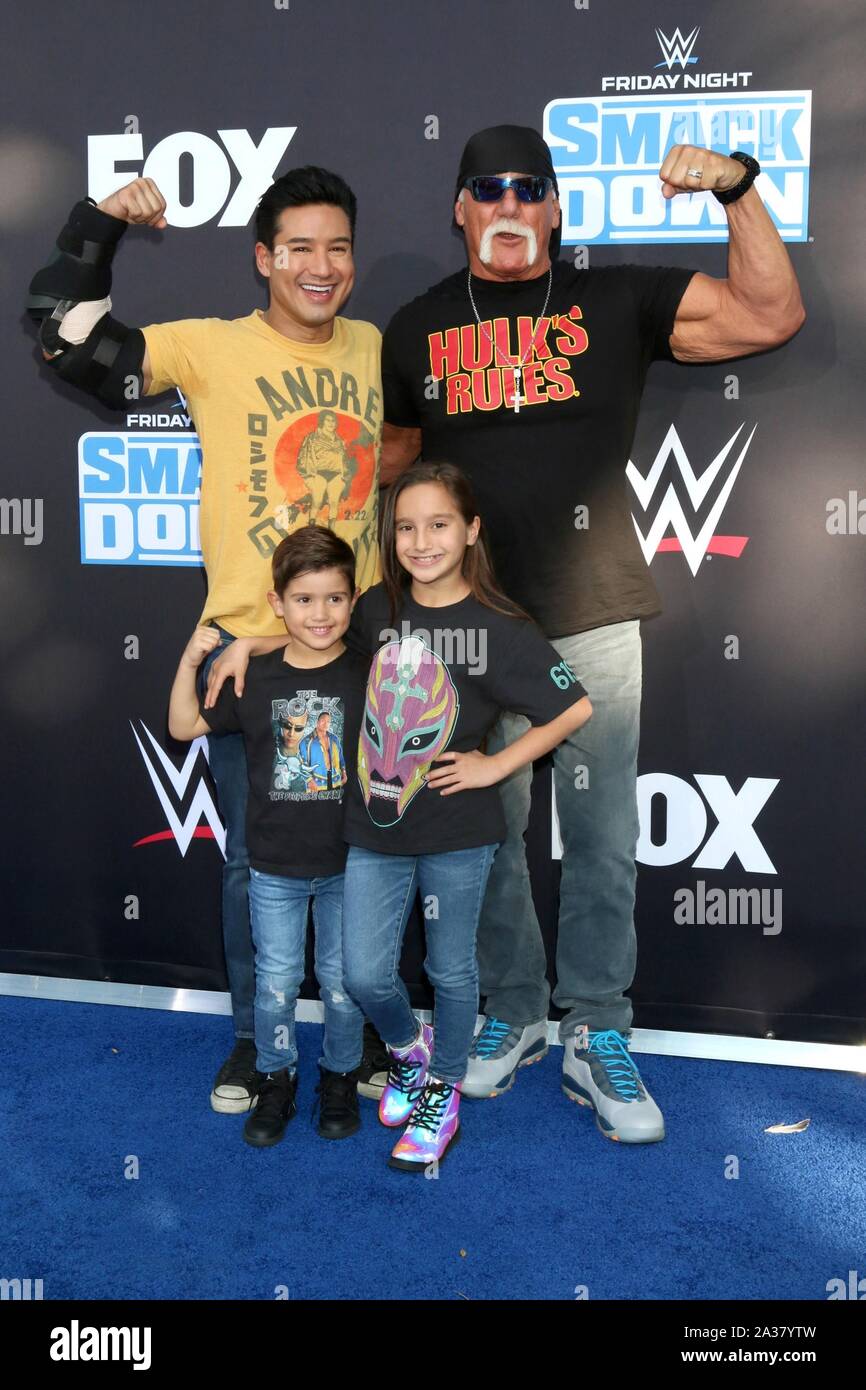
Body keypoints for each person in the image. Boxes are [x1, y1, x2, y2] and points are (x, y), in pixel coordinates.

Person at [378, 125, 805, 1143]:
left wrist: (736, 188)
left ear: (556, 208)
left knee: (602, 840)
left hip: (595, 614)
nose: (509, 204)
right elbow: (390, 471)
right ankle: (517, 1011)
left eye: (530, 188)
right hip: (469, 626)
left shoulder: (610, 298)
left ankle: (596, 1027)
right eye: (487, 188)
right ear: (460, 208)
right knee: (485, 835)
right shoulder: (415, 327)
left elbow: (770, 311)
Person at [27, 165, 390, 1112]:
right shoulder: (207, 347)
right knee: (252, 864)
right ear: (264, 258)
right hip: (246, 655)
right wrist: (100, 224)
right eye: (299, 248)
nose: (322, 266)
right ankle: (251, 1042)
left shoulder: (373, 347)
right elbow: (65, 342)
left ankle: (368, 1038)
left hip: (361, 649)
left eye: (338, 247)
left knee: (376, 851)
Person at [339, 463, 592, 1170]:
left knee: (452, 975)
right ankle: (409, 1052)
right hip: (375, 826)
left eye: (439, 524)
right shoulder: (372, 610)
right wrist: (245, 643)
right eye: (407, 527)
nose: (421, 541)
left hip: (458, 831)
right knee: (363, 973)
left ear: (471, 530)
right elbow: (319, 649)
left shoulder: (501, 626)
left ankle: (441, 1092)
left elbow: (574, 707)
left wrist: (494, 765)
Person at [168, 527, 369, 1147]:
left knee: (341, 983)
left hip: (349, 866)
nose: (320, 613)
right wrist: (191, 660)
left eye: (335, 599)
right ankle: (275, 1078)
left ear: (353, 601)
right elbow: (181, 726)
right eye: (304, 600)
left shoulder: (369, 674)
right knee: (277, 982)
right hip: (274, 870)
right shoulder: (251, 677)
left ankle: (339, 1075)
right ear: (277, 603)